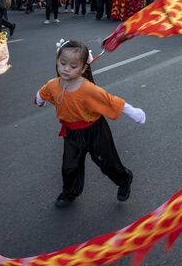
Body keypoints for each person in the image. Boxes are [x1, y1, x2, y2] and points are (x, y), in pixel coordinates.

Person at [34, 40, 146, 207]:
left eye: (73, 66)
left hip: (95, 131)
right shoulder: (53, 84)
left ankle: (124, 180)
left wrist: (133, 112)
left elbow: (111, 101)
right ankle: (70, 192)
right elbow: (43, 92)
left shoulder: (88, 89)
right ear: (57, 60)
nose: (66, 68)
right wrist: (39, 99)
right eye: (62, 63)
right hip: (72, 133)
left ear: (83, 68)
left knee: (107, 163)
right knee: (70, 166)